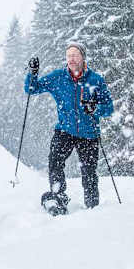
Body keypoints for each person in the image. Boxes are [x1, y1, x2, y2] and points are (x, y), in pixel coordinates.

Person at [24, 42, 113, 215]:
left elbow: (109, 108)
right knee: (55, 161)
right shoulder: (58, 77)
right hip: (65, 130)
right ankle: (58, 196)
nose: (71, 58)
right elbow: (31, 89)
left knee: (89, 171)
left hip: (89, 134)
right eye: (69, 55)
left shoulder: (95, 80)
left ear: (83, 57)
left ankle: (92, 206)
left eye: (75, 55)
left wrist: (95, 108)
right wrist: (32, 74)